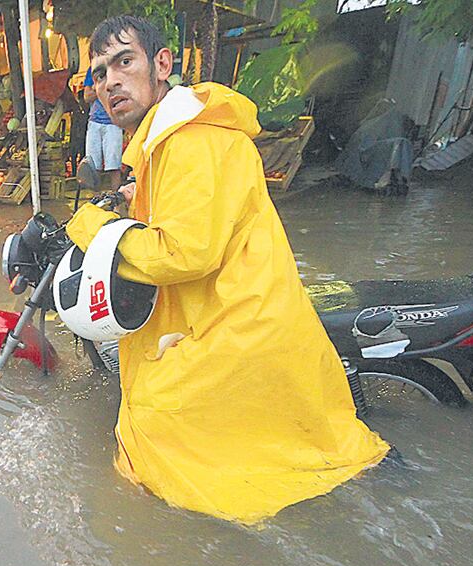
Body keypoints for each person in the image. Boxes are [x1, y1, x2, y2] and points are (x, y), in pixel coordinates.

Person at [65, 16, 390, 524]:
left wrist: (94, 228)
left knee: (148, 431)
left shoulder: (191, 140)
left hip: (235, 325)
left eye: (124, 61)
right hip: (237, 308)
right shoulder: (172, 138)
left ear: (162, 64)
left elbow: (185, 252)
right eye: (100, 72)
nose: (110, 81)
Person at [83, 66, 124, 189]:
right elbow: (86, 96)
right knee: (92, 166)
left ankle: (116, 200)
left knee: (114, 166)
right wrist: (104, 89)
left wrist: (96, 89)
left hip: (114, 122)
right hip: (94, 122)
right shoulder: (93, 69)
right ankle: (95, 200)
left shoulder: (118, 67)